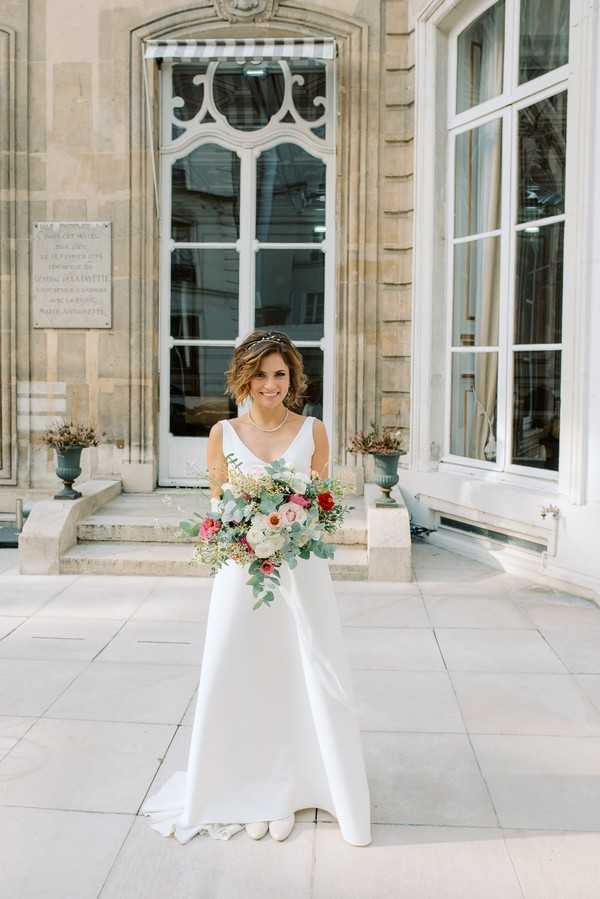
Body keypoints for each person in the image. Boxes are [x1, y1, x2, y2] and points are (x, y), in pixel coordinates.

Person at [141, 329, 372, 846]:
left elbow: (321, 506)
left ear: (293, 378)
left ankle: (298, 782)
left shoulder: (314, 430)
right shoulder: (221, 433)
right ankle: (244, 783)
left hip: (300, 572)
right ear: (243, 377)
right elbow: (219, 507)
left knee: (305, 669)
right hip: (242, 575)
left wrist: (292, 525)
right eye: (262, 374)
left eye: (281, 373)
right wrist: (246, 533)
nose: (271, 384)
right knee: (237, 667)